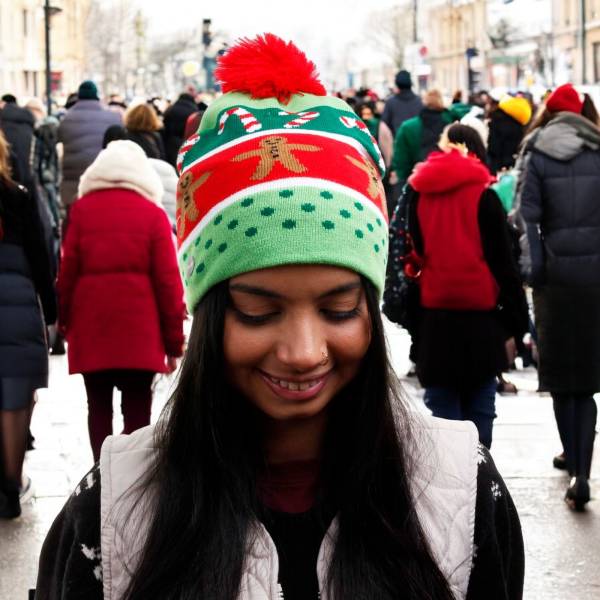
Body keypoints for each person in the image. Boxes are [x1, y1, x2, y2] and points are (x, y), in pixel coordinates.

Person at [36, 34, 523, 599]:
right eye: (258, 311)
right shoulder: (113, 513)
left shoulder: (463, 494)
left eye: (338, 309)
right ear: (210, 313)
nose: (303, 351)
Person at [55, 140, 186, 461]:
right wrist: (174, 343)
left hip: (92, 330)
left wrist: (63, 321)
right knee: (137, 409)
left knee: (97, 407)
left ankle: (100, 472)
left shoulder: (81, 212)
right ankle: (132, 472)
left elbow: (67, 272)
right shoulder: (153, 215)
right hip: (139, 335)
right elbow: (169, 283)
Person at [407, 123, 528, 449]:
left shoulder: (419, 196)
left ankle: (452, 487)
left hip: (435, 321)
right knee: (480, 412)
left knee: (443, 417)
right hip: (481, 322)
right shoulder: (484, 197)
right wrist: (517, 326)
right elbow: (504, 265)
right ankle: (478, 481)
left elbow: (416, 256)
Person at [515, 83, 600, 510]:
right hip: (595, 281)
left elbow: (527, 218)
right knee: (585, 383)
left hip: (555, 280)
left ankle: (574, 465)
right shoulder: (599, 148)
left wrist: (536, 271)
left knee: (562, 381)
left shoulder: (537, 152)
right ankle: (582, 472)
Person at [0, 130, 56, 518]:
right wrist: (50, 311)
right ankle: (12, 480)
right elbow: (41, 255)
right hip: (18, 305)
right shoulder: (17, 196)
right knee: (17, 400)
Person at [57, 80, 122, 208]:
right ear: (96, 95)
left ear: (79, 96)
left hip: (74, 181)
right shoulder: (113, 117)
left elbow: (59, 140)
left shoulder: (66, 119)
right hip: (104, 177)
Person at [391, 89, 470, 189]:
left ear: (424, 102)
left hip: (419, 182)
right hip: (451, 181)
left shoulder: (407, 127)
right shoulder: (452, 123)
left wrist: (405, 183)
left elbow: (401, 161)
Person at [488, 95, 532, 174]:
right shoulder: (518, 127)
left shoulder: (496, 120)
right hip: (510, 164)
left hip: (494, 163)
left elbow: (493, 146)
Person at [0, 94, 35, 187]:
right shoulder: (27, 119)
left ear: (3, 103)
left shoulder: (2, 122)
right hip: (28, 176)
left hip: (8, 178)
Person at [162, 91, 199, 167]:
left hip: (170, 143)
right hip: (187, 143)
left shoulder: (170, 109)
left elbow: (164, 127)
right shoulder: (194, 111)